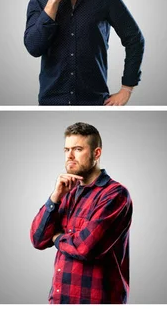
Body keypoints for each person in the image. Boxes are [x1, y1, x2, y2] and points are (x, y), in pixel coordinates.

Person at [30, 122, 132, 304]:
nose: (69, 156)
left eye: (77, 149)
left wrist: (57, 238)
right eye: (66, 149)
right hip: (60, 299)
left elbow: (86, 248)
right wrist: (55, 197)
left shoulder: (114, 194)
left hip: (97, 300)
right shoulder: (67, 193)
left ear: (96, 153)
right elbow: (38, 239)